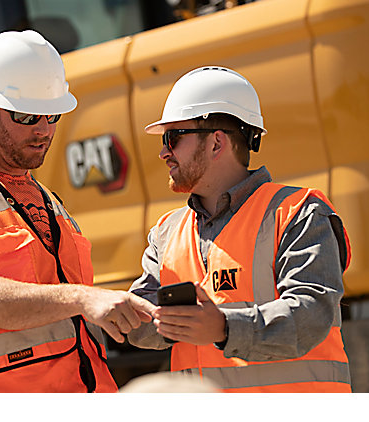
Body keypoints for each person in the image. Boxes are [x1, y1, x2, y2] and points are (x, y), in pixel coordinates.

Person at [0, 30, 155, 393]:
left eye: (52, 116)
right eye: (27, 117)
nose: (44, 131)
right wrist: (84, 298)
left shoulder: (51, 202)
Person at [127, 66, 352, 392]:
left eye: (173, 137)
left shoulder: (298, 213)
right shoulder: (165, 233)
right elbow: (140, 327)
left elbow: (311, 315)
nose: (163, 152)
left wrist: (223, 327)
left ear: (217, 143)